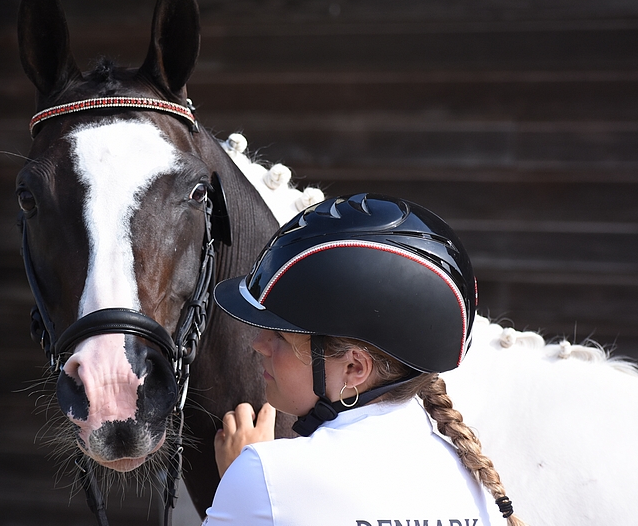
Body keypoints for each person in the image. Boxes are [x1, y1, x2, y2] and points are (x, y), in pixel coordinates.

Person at [205, 193, 527, 526]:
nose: (260, 344)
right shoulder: (474, 487)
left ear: (354, 368)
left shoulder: (264, 475)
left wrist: (242, 483)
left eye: (281, 336)